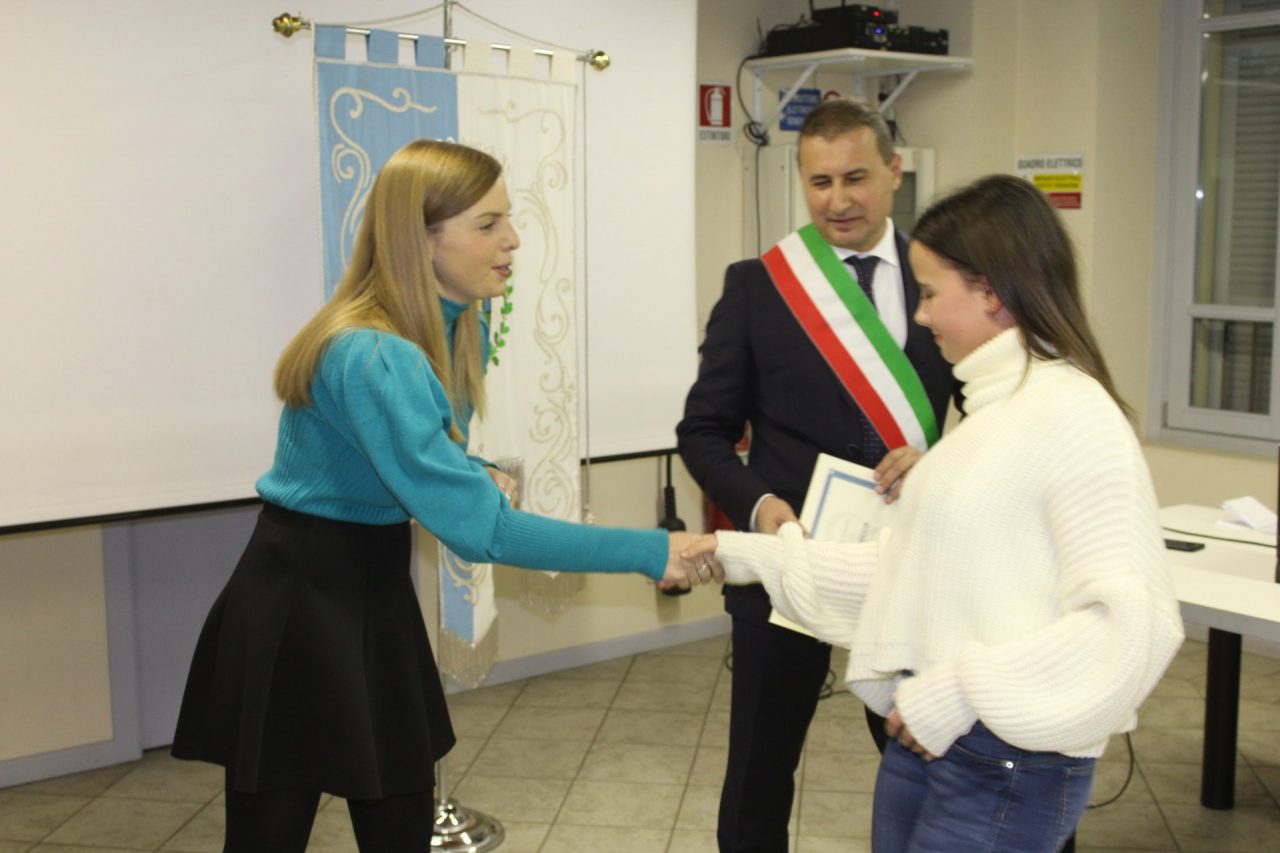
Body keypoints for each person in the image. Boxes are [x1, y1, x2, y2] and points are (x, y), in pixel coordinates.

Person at [170, 139, 710, 853]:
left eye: (507, 219)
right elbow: (483, 532)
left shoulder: (456, 321)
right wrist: (652, 549)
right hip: (299, 606)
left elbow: (413, 451)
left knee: (399, 822)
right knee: (271, 835)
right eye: (487, 224)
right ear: (421, 240)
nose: (512, 240)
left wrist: (468, 466)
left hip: (370, 588)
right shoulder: (374, 354)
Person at [683, 174, 1185, 852]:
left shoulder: (1072, 415)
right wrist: (743, 553)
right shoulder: (991, 413)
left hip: (1000, 758)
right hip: (939, 741)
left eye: (929, 293)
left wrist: (958, 695)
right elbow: (906, 573)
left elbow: (1134, 624)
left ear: (991, 292)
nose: (919, 317)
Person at [676, 98, 958, 852]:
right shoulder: (758, 286)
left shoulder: (946, 279)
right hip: (788, 558)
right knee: (760, 772)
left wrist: (942, 462)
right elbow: (702, 432)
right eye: (820, 181)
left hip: (908, 561)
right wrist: (760, 506)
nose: (838, 201)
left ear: (895, 172)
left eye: (856, 178)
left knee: (924, 758)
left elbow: (998, 415)